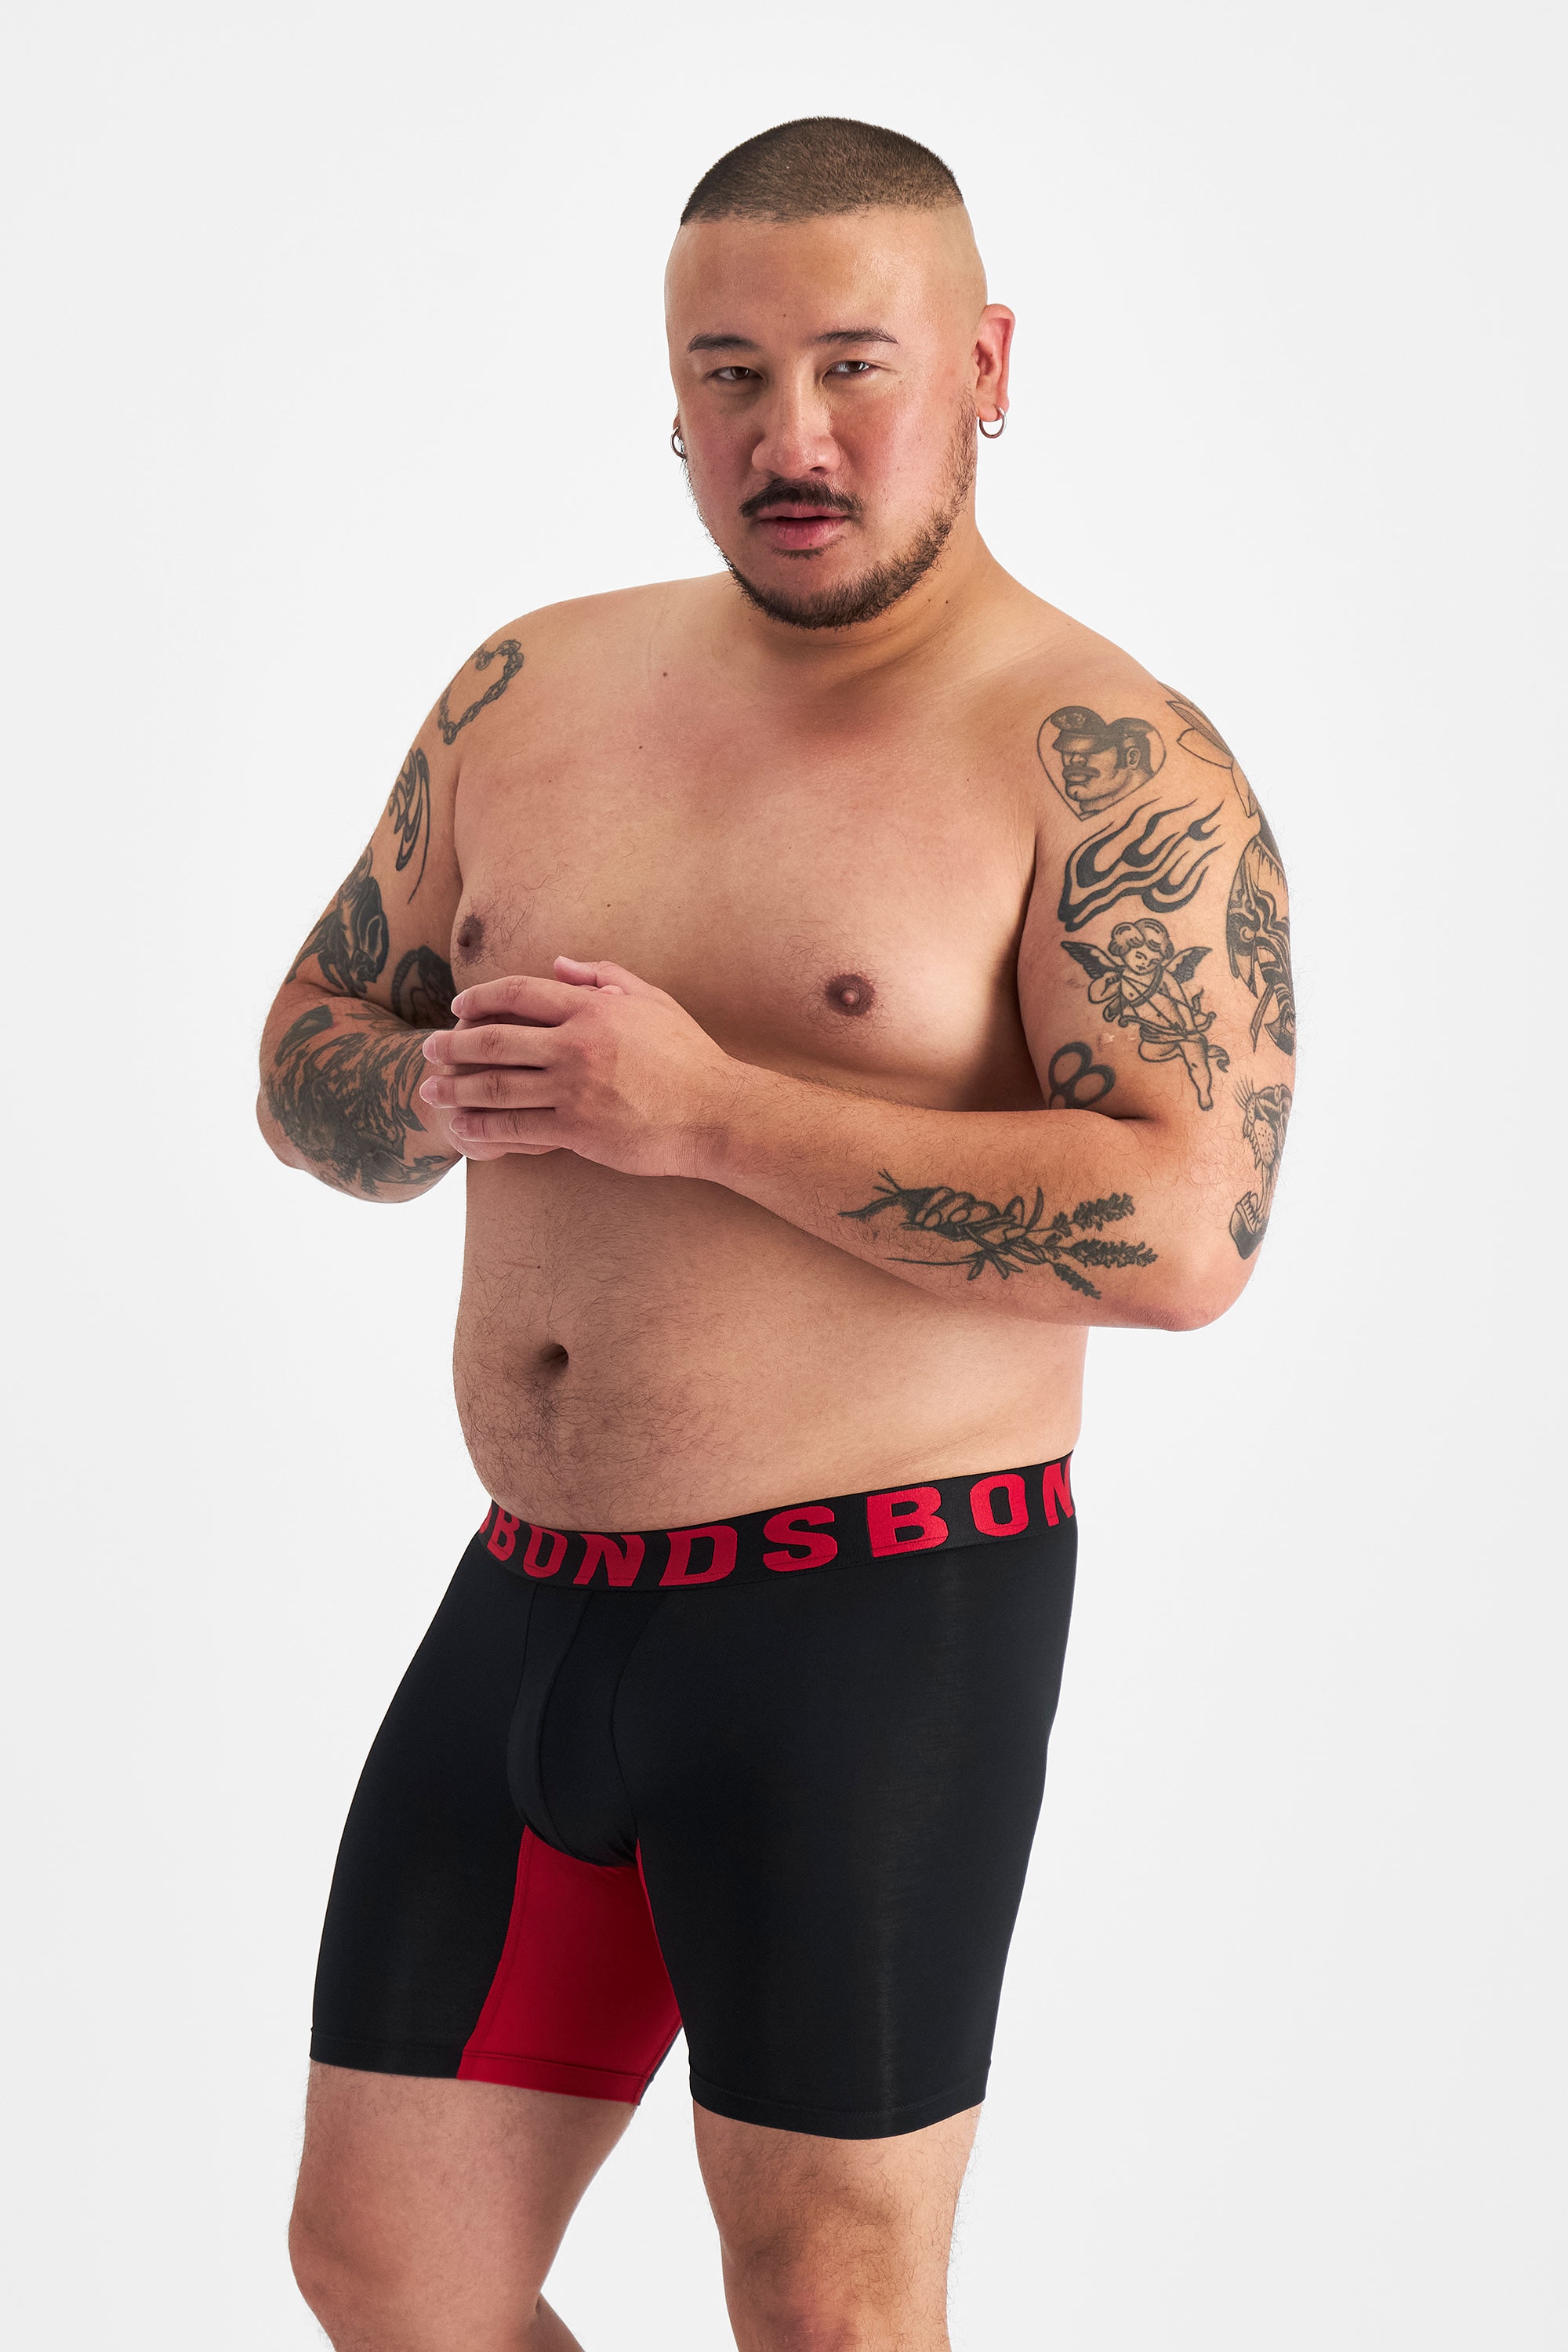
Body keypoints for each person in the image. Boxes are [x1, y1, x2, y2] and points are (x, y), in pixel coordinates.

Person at [259, 114, 1295, 2352]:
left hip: (876, 1612)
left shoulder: (1101, 754)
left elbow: (1190, 1225)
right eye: (727, 375)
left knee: (828, 2305)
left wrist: (712, 1116)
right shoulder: (530, 685)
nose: (786, 438)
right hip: (535, 1592)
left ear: (986, 364)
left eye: (851, 367)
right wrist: (428, 1093)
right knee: (391, 2266)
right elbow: (306, 1049)